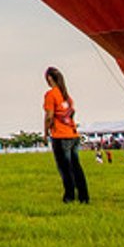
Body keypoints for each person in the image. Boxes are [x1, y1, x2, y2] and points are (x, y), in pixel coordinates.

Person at [43, 66, 89, 204]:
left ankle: (69, 196)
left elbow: (49, 116)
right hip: (73, 134)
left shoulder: (51, 94)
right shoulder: (67, 96)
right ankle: (84, 196)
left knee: (65, 168)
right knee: (76, 167)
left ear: (50, 78)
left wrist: (46, 131)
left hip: (60, 136)